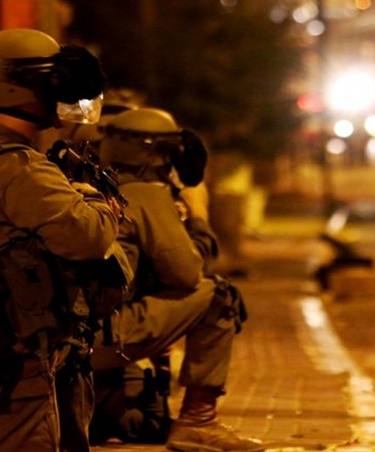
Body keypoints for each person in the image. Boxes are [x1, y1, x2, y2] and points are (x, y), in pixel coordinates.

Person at [0, 28, 123, 452]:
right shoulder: (18, 169)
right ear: (23, 89)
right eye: (54, 84)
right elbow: (89, 237)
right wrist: (95, 198)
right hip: (1, 351)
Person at [92, 107, 262, 451]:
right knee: (219, 295)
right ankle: (199, 422)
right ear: (157, 154)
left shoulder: (89, 185)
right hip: (101, 339)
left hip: (58, 342)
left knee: (139, 419)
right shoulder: (144, 194)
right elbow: (187, 275)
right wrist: (197, 215)